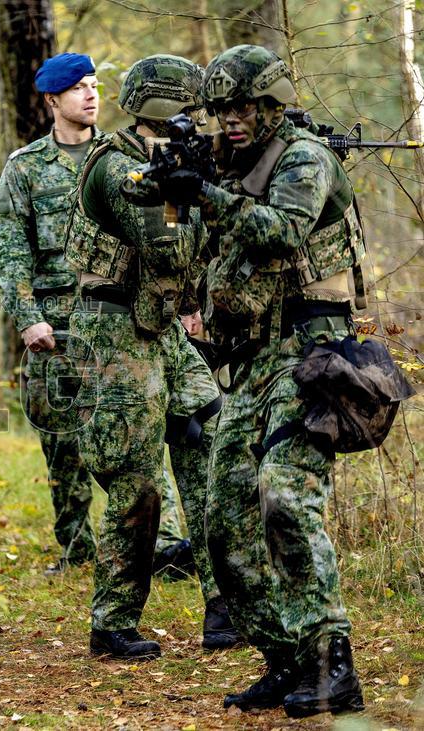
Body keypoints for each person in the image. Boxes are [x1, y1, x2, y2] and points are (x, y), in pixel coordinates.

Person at [157, 45, 365, 716]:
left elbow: (279, 233)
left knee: (284, 495)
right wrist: (172, 178)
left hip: (310, 349)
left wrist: (206, 193)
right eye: (222, 109)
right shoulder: (231, 162)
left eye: (243, 106)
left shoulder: (304, 158)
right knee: (223, 517)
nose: (232, 120)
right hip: (252, 357)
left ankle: (334, 663)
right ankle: (286, 657)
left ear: (273, 102)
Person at [0, 52, 189, 576]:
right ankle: (76, 548)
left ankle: (162, 545)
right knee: (63, 441)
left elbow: (167, 236)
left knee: (140, 427)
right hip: (56, 322)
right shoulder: (26, 167)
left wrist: (181, 306)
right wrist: (28, 317)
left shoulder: (125, 156)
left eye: (94, 85)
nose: (90, 94)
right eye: (78, 88)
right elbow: (11, 251)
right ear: (53, 100)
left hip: (124, 315)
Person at [66, 54, 223, 660]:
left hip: (160, 329)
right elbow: (167, 248)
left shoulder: (165, 163)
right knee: (136, 480)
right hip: (114, 331)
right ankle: (112, 620)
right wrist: (210, 201)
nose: (196, 122)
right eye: (187, 112)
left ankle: (223, 601)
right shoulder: (116, 168)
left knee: (209, 443)